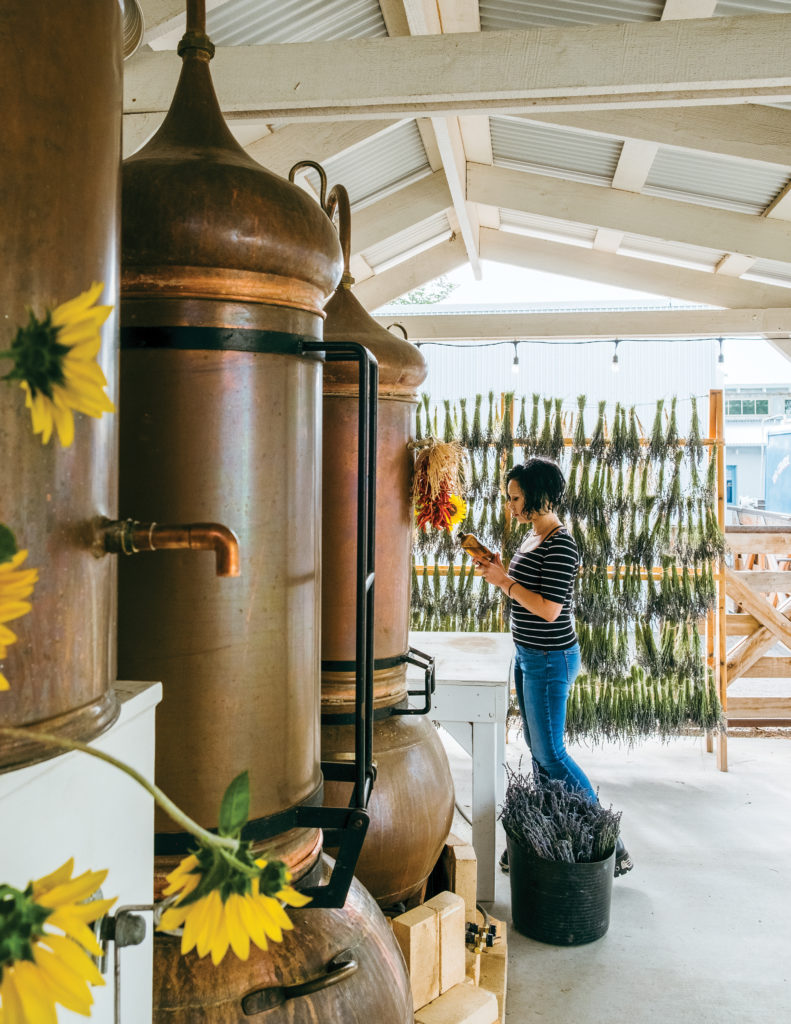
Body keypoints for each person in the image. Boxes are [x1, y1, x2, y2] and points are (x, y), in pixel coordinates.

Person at [472, 456, 633, 878]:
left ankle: (608, 838)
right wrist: (500, 570)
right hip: (529, 655)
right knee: (539, 751)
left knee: (551, 753)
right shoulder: (531, 538)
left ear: (539, 496)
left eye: (516, 498)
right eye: (509, 498)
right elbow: (527, 589)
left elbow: (548, 610)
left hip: (550, 658)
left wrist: (503, 582)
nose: (510, 506)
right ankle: (552, 833)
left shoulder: (561, 543)